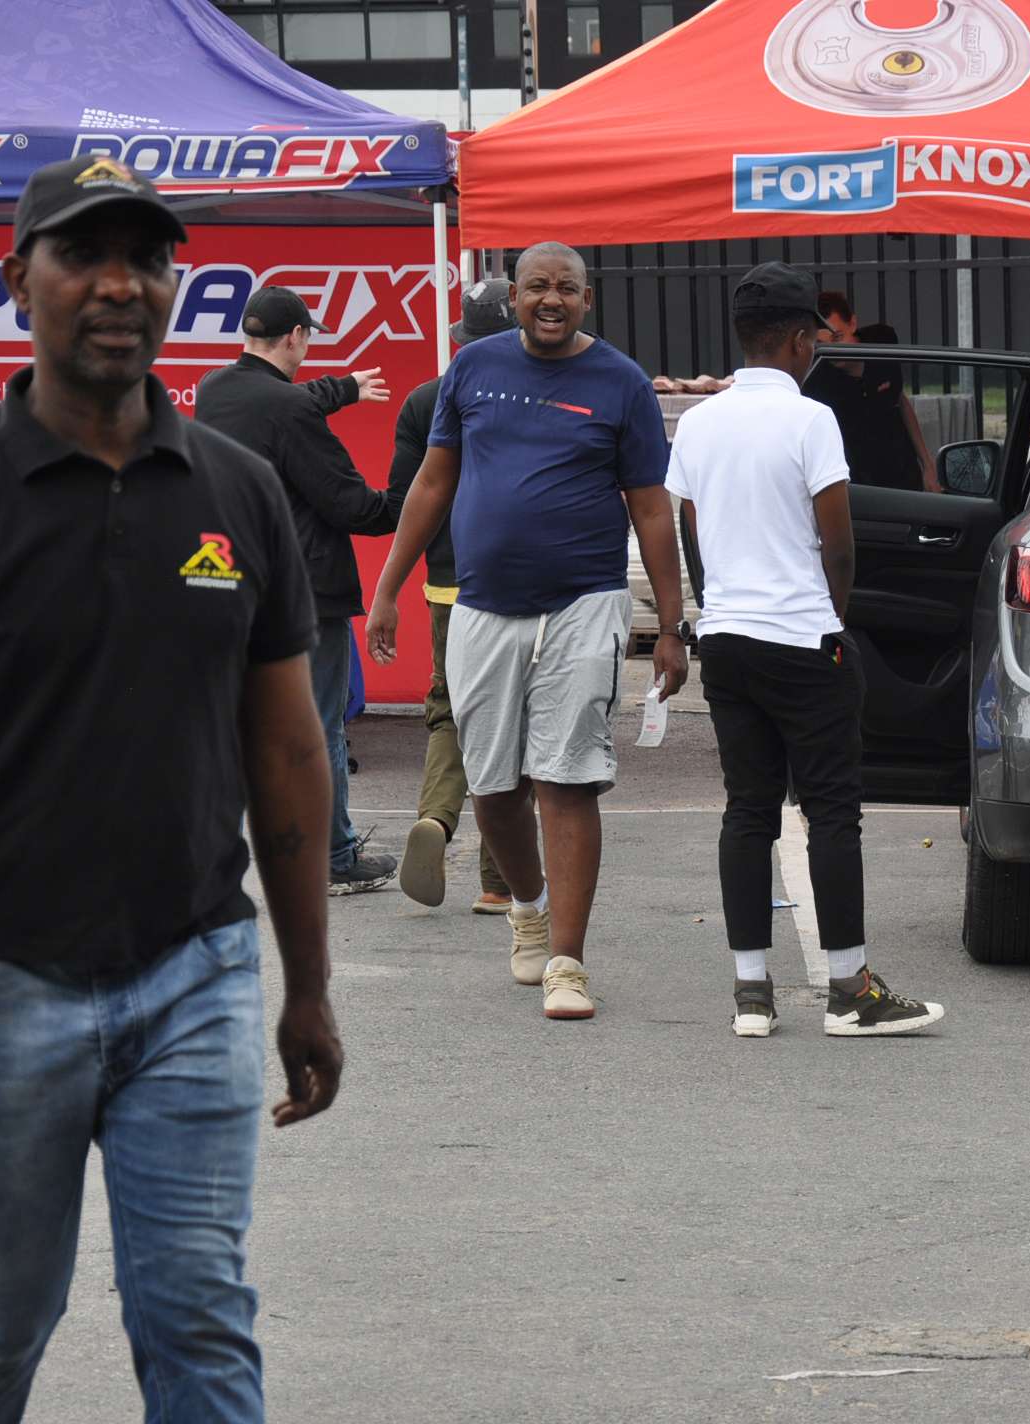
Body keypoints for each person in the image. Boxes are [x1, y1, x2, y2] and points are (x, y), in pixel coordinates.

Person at [0, 154, 343, 1423]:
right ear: (18, 279)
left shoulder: (237, 490)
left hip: (194, 968)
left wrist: (308, 982)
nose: (117, 284)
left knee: (198, 1317)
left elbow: (286, 753)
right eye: (81, 255)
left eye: (144, 259)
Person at [366, 242, 688, 1021]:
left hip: (583, 605)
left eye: (566, 288)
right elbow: (433, 481)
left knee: (566, 779)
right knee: (493, 787)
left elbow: (652, 508)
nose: (552, 299)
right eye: (537, 286)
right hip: (481, 606)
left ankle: (567, 964)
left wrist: (673, 625)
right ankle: (528, 908)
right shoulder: (473, 370)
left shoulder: (620, 381)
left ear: (587, 299)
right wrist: (387, 589)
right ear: (513, 297)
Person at [665, 262, 945, 1039]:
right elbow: (840, 542)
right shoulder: (811, 418)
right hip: (800, 637)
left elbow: (689, 524)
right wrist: (833, 622)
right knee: (831, 813)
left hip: (727, 641)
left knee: (747, 811)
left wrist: (714, 602)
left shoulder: (701, 422)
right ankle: (851, 990)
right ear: (798, 339)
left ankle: (751, 992)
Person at [195, 285, 400, 895]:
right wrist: (419, 491)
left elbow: (280, 400)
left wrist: (343, 389)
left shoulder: (214, 389)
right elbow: (353, 506)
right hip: (302, 593)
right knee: (317, 727)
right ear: (296, 337)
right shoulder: (289, 410)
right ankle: (333, 857)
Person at [392, 276, 518, 913]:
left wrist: (388, 588)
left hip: (446, 584)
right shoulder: (533, 396)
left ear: (460, 339)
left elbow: (405, 496)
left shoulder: (425, 399)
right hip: (519, 585)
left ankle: (436, 818)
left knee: (449, 710)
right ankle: (499, 881)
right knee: (511, 720)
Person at [801, 289, 936, 493]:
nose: (832, 350)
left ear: (853, 323)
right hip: (857, 489)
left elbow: (899, 400)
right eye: (821, 345)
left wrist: (928, 465)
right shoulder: (816, 380)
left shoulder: (883, 344)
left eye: (838, 337)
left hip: (905, 477)